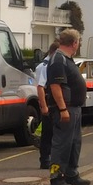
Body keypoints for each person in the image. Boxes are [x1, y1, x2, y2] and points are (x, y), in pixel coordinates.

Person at [46, 29, 90, 185]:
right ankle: (56, 178)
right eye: (78, 41)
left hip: (74, 108)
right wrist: (63, 108)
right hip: (65, 109)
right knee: (61, 145)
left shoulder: (66, 59)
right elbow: (55, 86)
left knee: (74, 143)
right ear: (74, 43)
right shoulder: (58, 60)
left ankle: (72, 174)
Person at [34, 41, 59, 170]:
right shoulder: (45, 66)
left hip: (51, 102)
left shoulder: (50, 64)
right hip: (48, 102)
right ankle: (45, 160)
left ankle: (48, 159)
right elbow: (40, 87)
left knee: (51, 133)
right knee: (48, 133)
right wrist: (44, 106)